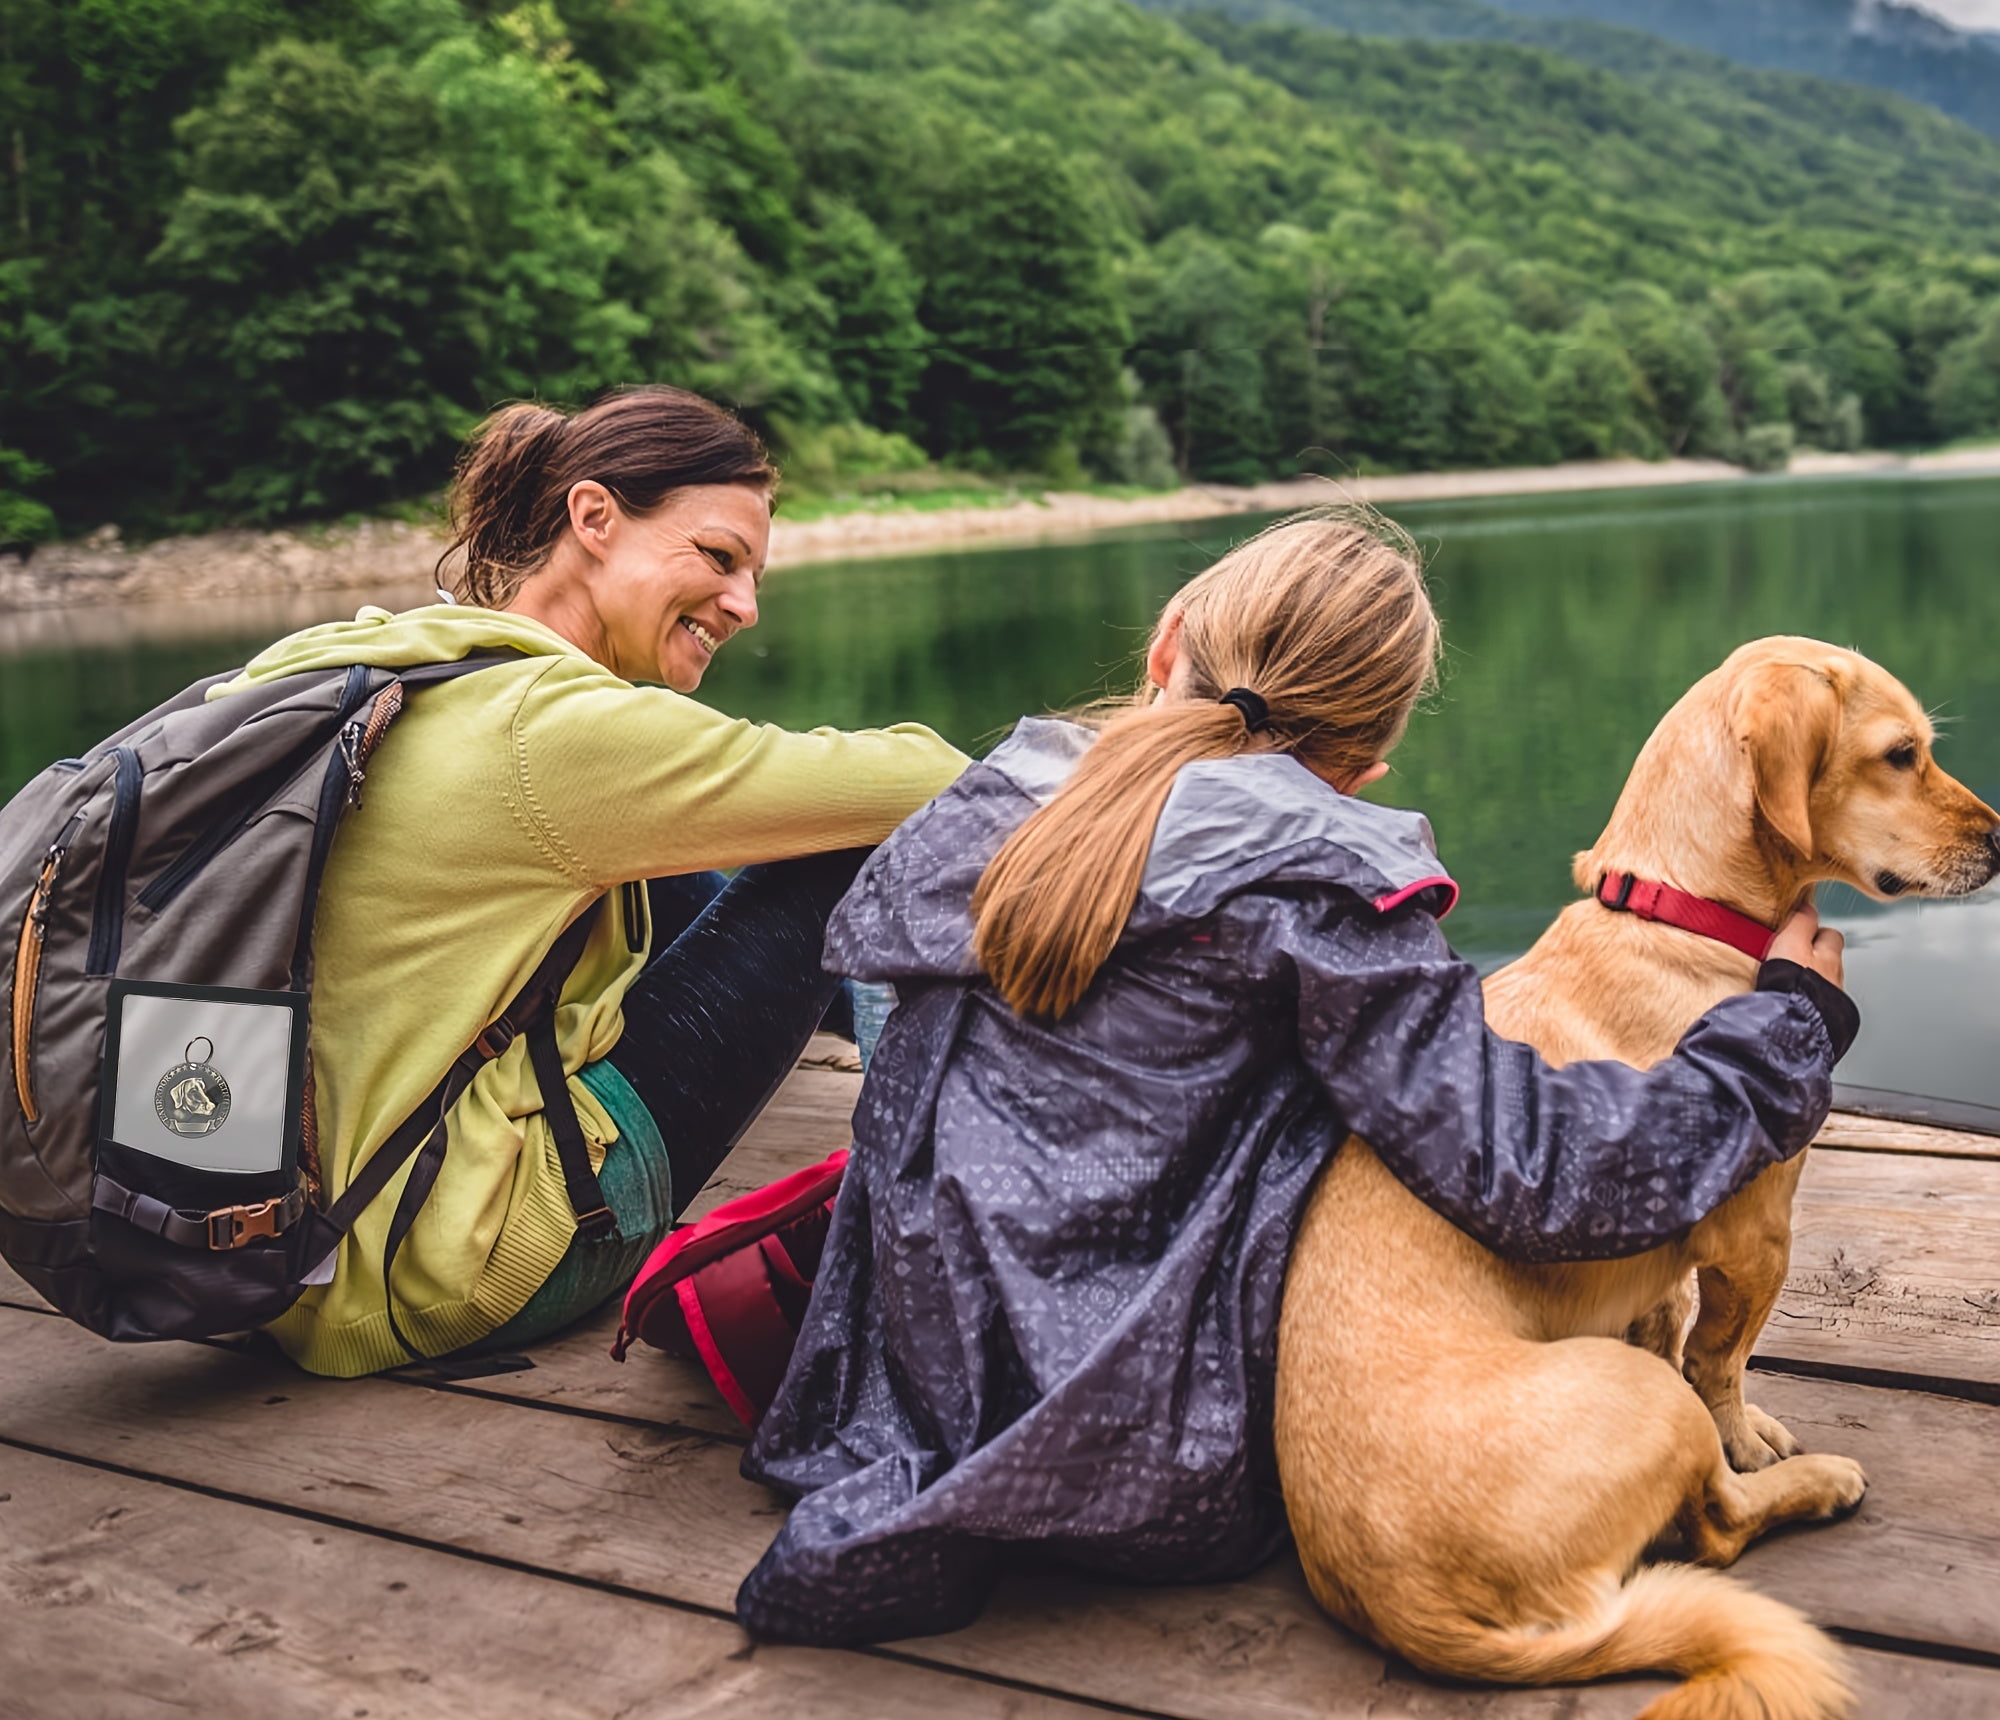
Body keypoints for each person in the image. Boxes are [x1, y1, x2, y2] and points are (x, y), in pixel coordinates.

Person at [736, 508, 1855, 1644]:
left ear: (1165, 644)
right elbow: (1538, 1173)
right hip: (1160, 1463)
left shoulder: (982, 818)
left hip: (887, 1408)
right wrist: (1779, 1030)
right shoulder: (1320, 902)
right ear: (1366, 764)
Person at [241, 387, 966, 1377]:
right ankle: (923, 1236)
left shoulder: (362, 663)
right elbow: (932, 778)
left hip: (273, 1253)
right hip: (453, 1269)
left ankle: (850, 1038)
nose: (745, 606)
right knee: (849, 844)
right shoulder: (556, 729)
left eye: (753, 574)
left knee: (646, 861)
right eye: (718, 559)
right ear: (592, 519)